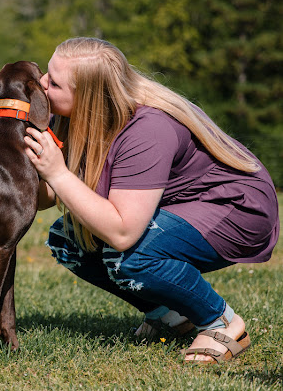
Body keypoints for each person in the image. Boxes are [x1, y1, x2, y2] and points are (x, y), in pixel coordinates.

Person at [23, 37, 280, 363]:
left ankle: (222, 323)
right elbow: (48, 197)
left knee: (129, 255)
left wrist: (58, 174)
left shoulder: (148, 128)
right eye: (47, 73)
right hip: (182, 202)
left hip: (236, 206)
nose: (43, 85)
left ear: (88, 97)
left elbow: (122, 232)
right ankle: (172, 315)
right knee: (68, 239)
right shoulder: (75, 117)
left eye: (55, 83)